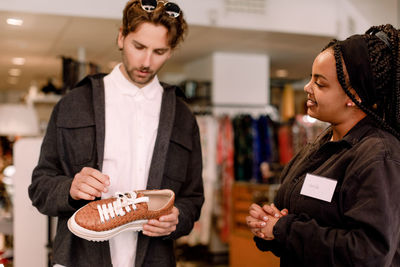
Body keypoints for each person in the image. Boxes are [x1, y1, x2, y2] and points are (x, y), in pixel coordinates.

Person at [28, 0, 204, 266]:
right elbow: (40, 187)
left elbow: (193, 198)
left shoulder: (183, 116)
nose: (146, 62)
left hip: (154, 258)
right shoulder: (73, 104)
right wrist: (70, 188)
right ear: (121, 36)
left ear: (171, 51)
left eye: (159, 51)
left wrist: (177, 217)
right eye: (139, 47)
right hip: (79, 258)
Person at [247, 24, 400, 267]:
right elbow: (296, 218)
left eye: (320, 83)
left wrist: (284, 229)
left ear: (354, 96)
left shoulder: (378, 154)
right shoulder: (322, 143)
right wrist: (268, 225)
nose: (307, 88)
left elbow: (369, 253)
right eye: (311, 79)